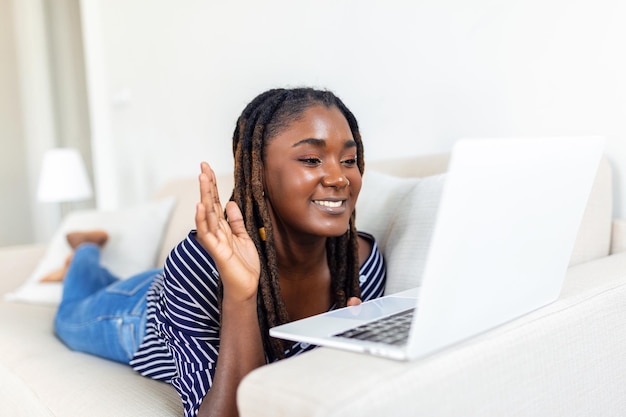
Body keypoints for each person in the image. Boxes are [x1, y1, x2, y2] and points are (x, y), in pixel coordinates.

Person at [53, 87, 387, 417]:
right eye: (312, 159)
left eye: (348, 160)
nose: (339, 178)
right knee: (68, 314)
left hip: (175, 290)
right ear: (259, 171)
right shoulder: (198, 264)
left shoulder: (362, 267)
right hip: (139, 311)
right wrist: (241, 296)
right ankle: (85, 249)